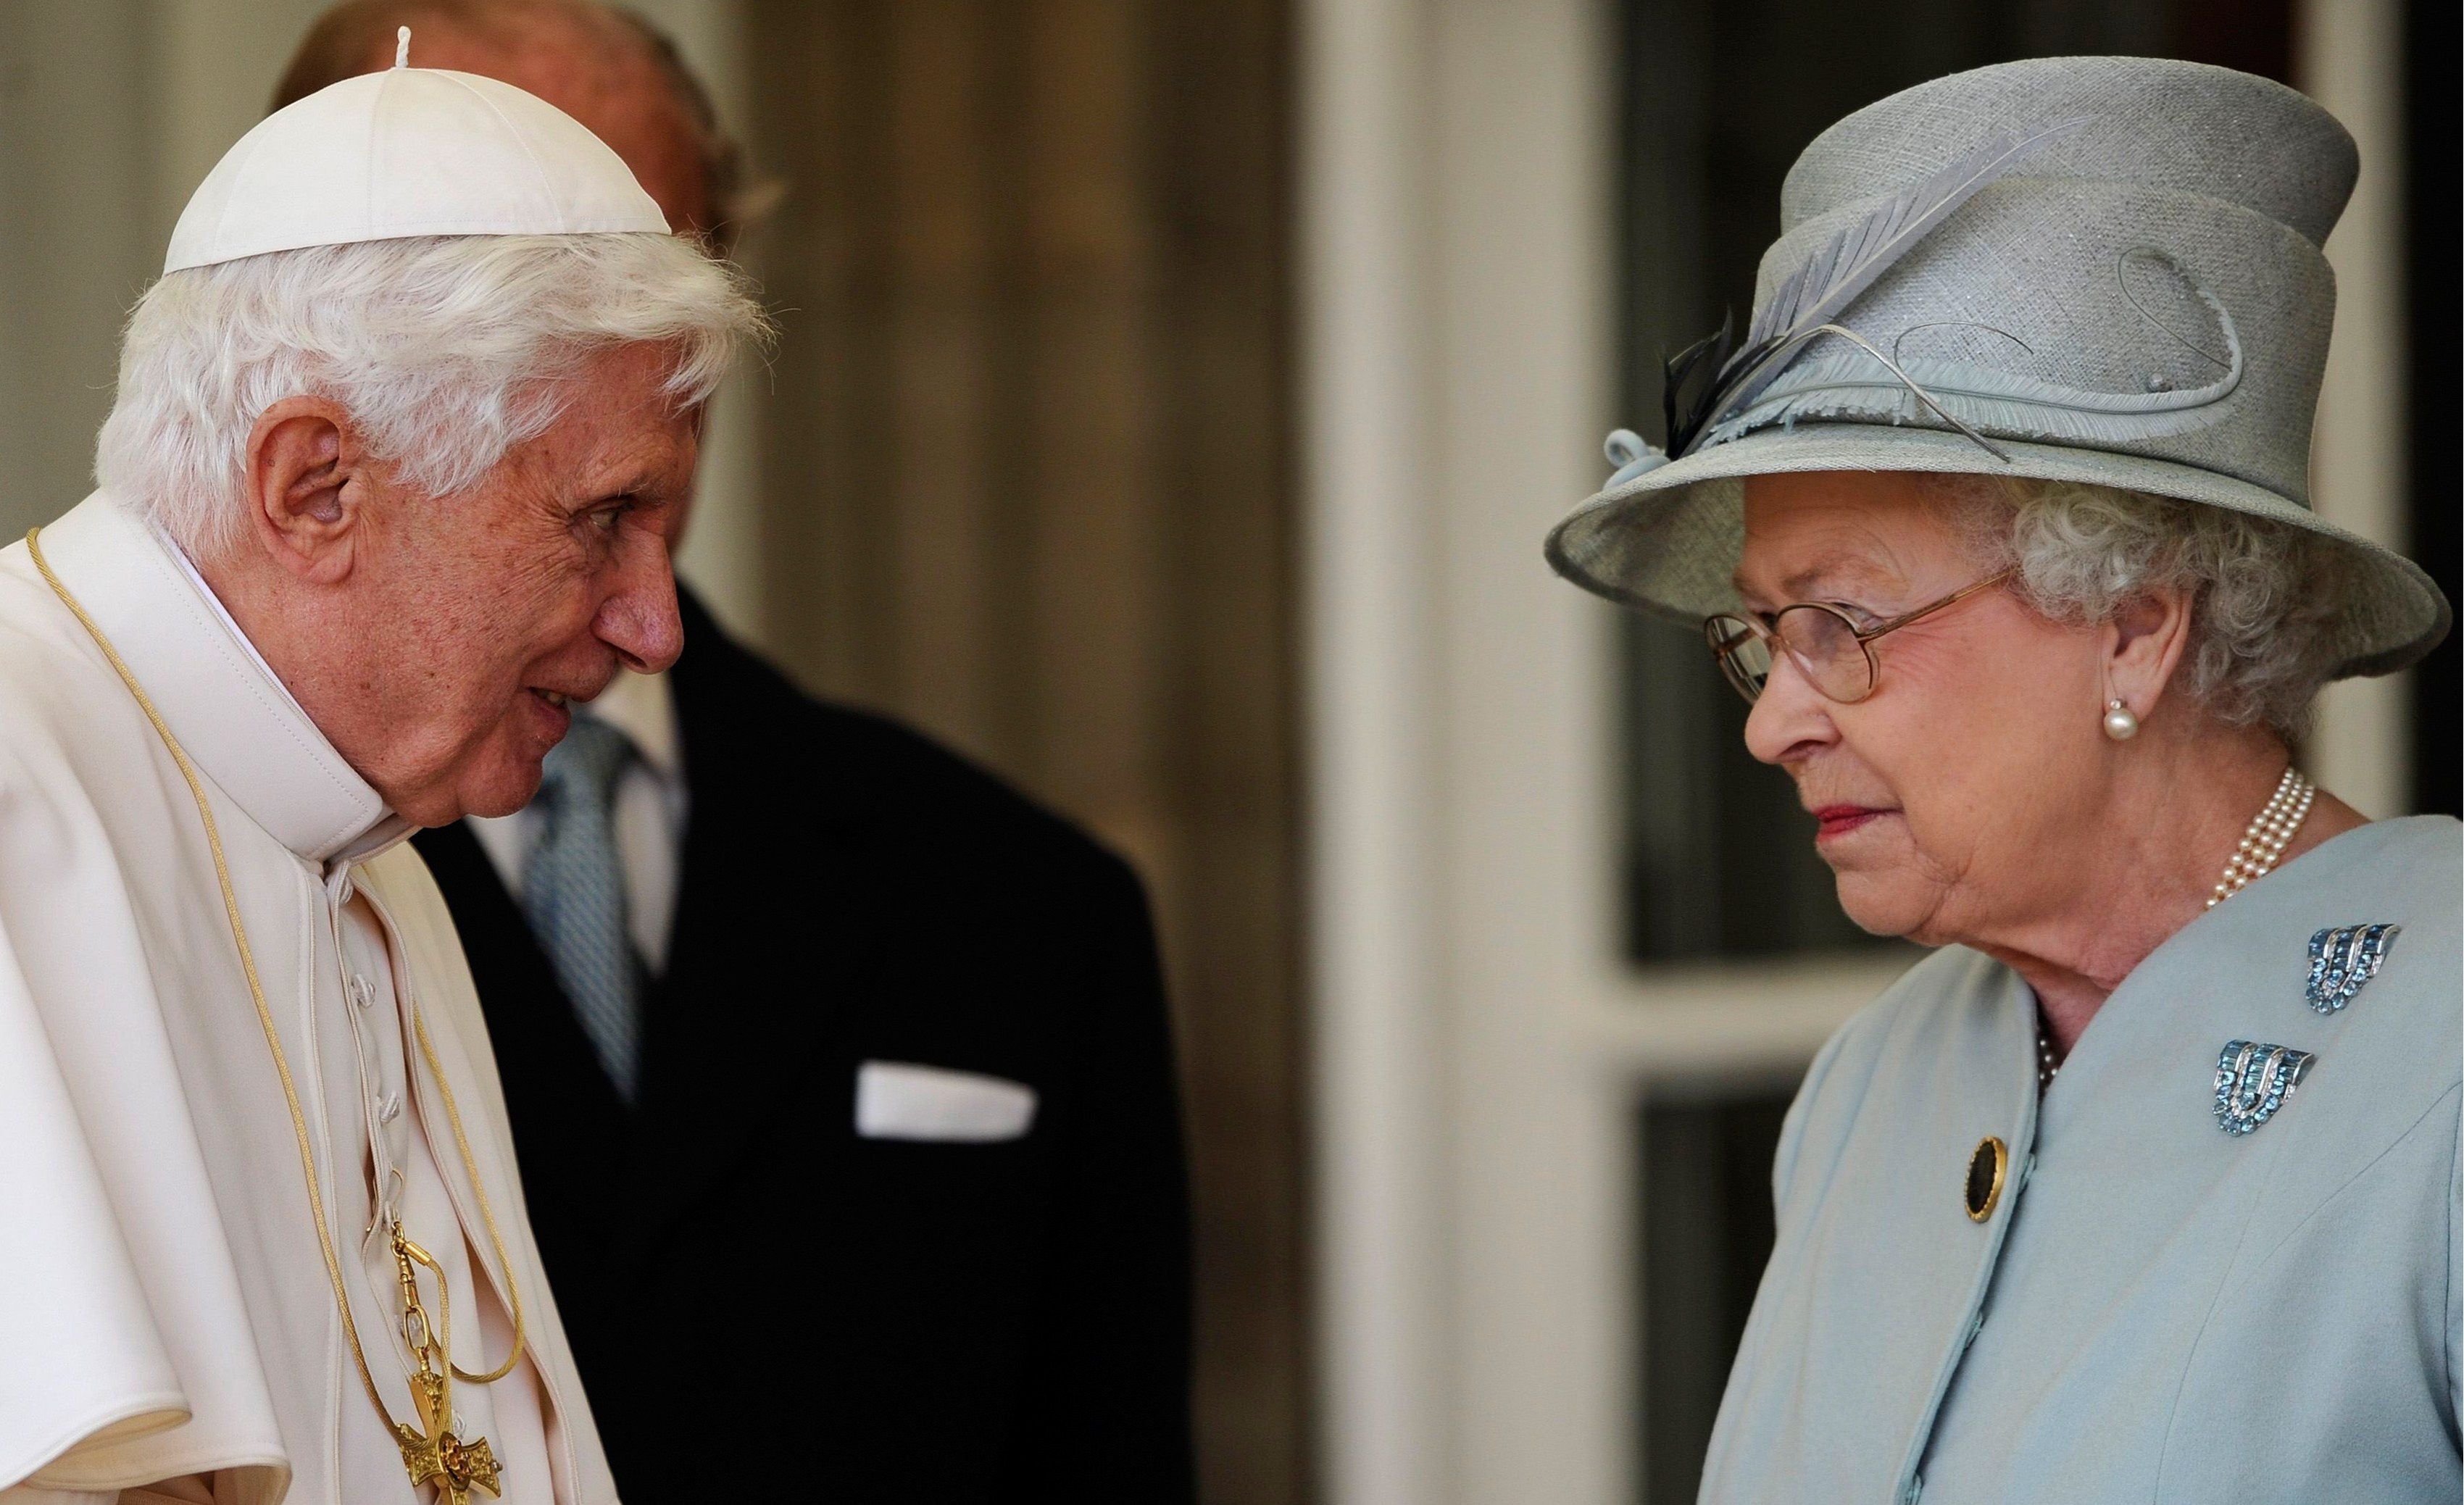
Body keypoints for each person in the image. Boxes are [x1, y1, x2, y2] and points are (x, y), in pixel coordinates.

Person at [274, 6, 1200, 1500]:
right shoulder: (183, 865)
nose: (604, 367)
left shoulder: (1022, 905)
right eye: (510, 301)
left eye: (651, 291)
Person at [1547, 57, 2459, 1504]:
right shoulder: (1871, 1081)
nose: (1770, 721)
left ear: (2131, 625)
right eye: (1761, 636)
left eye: (1841, 623)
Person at [0, 44, 763, 1504]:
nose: (655, 627)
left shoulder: (381, 869)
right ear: (314, 487)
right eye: (602, 519)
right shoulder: (17, 789)